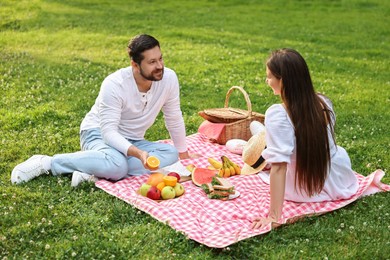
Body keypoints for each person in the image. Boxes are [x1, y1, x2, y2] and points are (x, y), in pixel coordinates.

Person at [11, 34, 190, 187]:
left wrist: (183, 153)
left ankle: (94, 168)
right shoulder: (114, 84)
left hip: (133, 139)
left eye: (160, 58)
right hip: (97, 133)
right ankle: (47, 162)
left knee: (171, 154)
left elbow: (173, 116)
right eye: (152, 62)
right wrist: (138, 153)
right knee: (118, 166)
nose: (160, 66)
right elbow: (109, 133)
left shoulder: (169, 78)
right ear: (135, 65)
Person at [250, 48, 359, 229]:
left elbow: (279, 167)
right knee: (261, 135)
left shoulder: (278, 115)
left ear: (282, 81)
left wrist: (274, 216)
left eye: (269, 77)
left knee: (257, 135)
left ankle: (258, 140)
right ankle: (260, 138)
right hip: (337, 178)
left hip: (305, 189)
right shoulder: (324, 102)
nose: (266, 81)